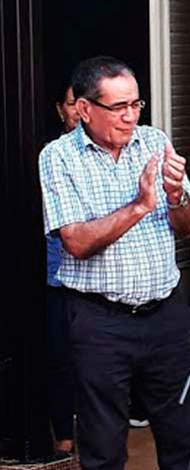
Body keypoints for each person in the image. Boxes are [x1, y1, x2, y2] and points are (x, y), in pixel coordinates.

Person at [38, 56, 190, 470]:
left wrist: (176, 195)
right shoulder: (58, 157)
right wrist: (142, 205)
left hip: (165, 313)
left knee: (182, 433)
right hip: (100, 322)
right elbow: (74, 241)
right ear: (84, 109)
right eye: (118, 107)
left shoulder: (155, 140)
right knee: (103, 442)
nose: (130, 117)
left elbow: (189, 227)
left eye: (136, 105)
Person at [46, 83, 80, 455]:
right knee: (58, 357)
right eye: (72, 104)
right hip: (55, 273)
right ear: (61, 109)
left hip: (99, 280)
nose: (77, 112)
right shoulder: (50, 157)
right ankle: (63, 438)